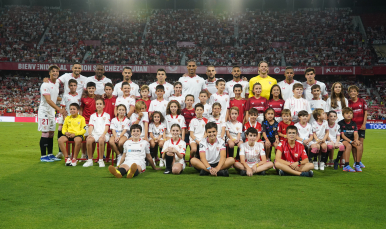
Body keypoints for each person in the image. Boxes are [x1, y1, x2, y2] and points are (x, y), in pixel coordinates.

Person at [39, 65, 67, 162]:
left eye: (57, 71)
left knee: (51, 133)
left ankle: (50, 154)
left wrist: (66, 100)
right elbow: (48, 100)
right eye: (53, 71)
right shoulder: (45, 84)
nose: (55, 73)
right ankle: (43, 156)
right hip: (45, 111)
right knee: (45, 133)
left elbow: (55, 98)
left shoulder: (56, 84)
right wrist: (59, 109)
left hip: (51, 111)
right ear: (49, 73)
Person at [56, 79, 81, 159]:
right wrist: (65, 121)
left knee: (74, 138)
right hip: (68, 120)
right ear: (69, 86)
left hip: (77, 121)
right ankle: (67, 154)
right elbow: (63, 110)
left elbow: (81, 109)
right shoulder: (65, 96)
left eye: (74, 85)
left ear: (76, 86)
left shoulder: (79, 96)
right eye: (71, 85)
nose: (73, 87)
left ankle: (73, 155)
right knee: (67, 137)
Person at [84, 98, 110, 168]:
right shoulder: (92, 116)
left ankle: (101, 160)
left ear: (103, 106)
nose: (99, 105)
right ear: (95, 105)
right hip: (95, 134)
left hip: (104, 134)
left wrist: (103, 134)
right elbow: (91, 126)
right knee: (88, 140)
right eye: (97, 104)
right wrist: (89, 134)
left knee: (101, 140)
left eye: (100, 104)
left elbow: (107, 126)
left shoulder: (107, 115)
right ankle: (89, 160)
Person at [338, 107, 364, 172]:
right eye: (347, 113)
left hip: (352, 140)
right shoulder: (340, 123)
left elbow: (355, 133)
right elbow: (342, 135)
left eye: (350, 113)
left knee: (359, 145)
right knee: (348, 146)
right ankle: (346, 165)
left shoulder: (353, 123)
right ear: (343, 115)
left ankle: (357, 164)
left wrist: (356, 140)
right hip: (343, 140)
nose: (349, 115)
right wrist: (350, 141)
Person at [348, 85, 367, 169]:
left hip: (361, 126)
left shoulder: (362, 101)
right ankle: (356, 162)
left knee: (361, 144)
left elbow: (365, 113)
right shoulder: (348, 103)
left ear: (357, 92)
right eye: (351, 91)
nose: (353, 92)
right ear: (349, 93)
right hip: (353, 127)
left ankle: (359, 161)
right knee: (354, 144)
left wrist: (364, 124)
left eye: (354, 91)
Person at [80, 82, 99, 158]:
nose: (91, 90)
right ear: (87, 89)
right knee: (84, 139)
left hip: (95, 122)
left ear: (95, 89)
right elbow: (81, 109)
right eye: (89, 88)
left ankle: (90, 155)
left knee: (93, 139)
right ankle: (83, 154)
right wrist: (81, 119)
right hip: (86, 122)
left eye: (92, 88)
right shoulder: (84, 98)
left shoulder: (98, 98)